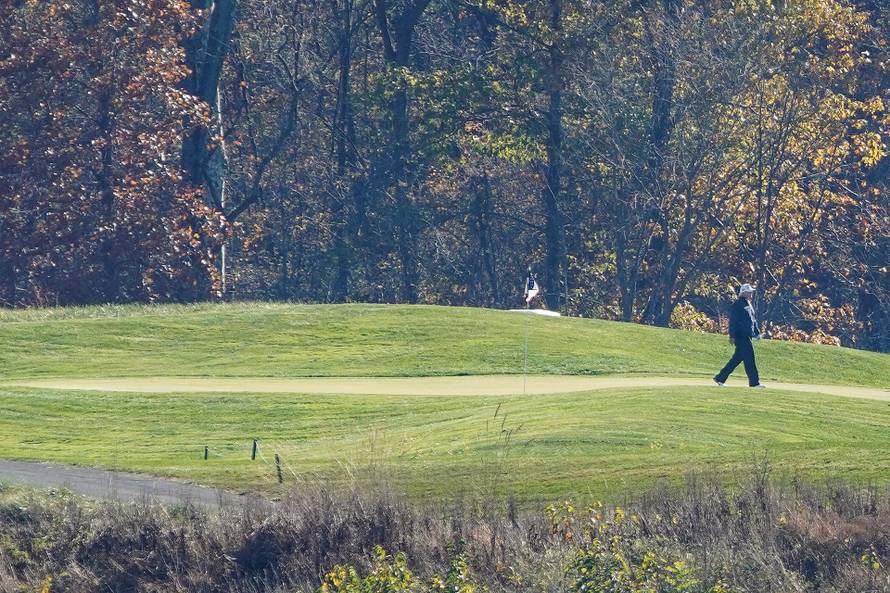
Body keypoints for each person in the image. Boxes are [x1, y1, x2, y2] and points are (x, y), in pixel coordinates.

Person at [714, 283, 766, 389]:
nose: (751, 293)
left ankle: (720, 377)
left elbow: (753, 321)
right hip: (740, 336)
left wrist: (757, 333)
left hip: (747, 336)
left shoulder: (749, 304)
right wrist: (732, 335)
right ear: (744, 293)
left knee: (736, 359)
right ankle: (754, 383)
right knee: (750, 359)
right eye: (749, 292)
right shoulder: (738, 304)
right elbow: (733, 321)